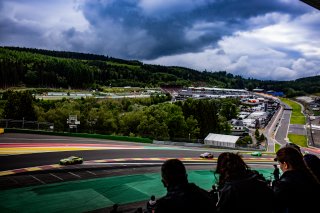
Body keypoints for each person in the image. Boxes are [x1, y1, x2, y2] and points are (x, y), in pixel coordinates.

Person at [273, 146, 320, 213]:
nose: (280, 167)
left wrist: (276, 182)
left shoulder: (283, 185)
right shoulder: (310, 177)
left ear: (285, 165)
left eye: (280, 164)